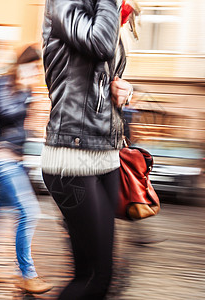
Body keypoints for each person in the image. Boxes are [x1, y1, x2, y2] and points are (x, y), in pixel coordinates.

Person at [41, 0, 139, 298]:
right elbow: (100, 44)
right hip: (71, 158)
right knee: (96, 277)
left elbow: (101, 74)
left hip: (105, 158)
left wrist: (123, 89)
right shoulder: (65, 3)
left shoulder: (101, 10)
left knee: (95, 275)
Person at [0, 45, 52, 294]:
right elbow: (7, 111)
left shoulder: (20, 87)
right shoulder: (4, 84)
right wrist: (25, 92)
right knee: (30, 211)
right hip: (1, 158)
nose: (37, 73)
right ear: (24, 64)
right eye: (35, 67)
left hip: (14, 158)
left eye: (39, 69)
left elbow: (19, 124)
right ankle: (26, 274)